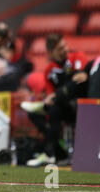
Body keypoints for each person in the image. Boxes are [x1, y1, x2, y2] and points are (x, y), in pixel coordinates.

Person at [21, 33, 88, 166]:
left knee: (70, 89)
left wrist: (56, 95)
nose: (65, 50)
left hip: (82, 105)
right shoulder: (49, 70)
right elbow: (51, 96)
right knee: (37, 113)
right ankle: (58, 153)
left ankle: (49, 154)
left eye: (65, 46)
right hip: (62, 106)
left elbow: (82, 79)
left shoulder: (77, 57)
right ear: (51, 53)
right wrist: (53, 98)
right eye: (60, 49)